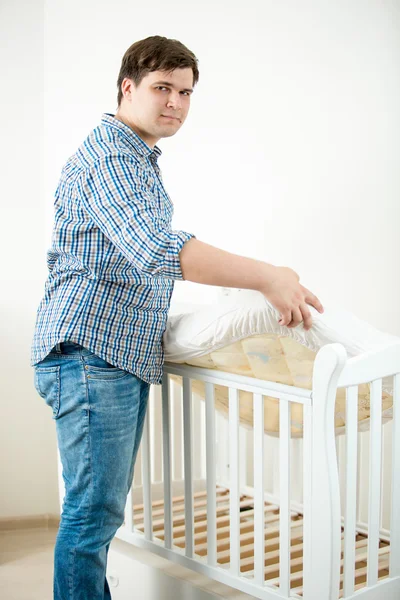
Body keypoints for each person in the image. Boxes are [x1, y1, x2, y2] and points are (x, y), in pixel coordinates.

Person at [31, 35, 324, 600]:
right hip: (90, 355)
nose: (176, 104)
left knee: (95, 513)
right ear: (128, 87)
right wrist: (267, 275)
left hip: (105, 355)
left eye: (186, 92)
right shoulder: (112, 155)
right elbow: (155, 249)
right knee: (92, 519)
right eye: (163, 88)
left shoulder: (132, 156)